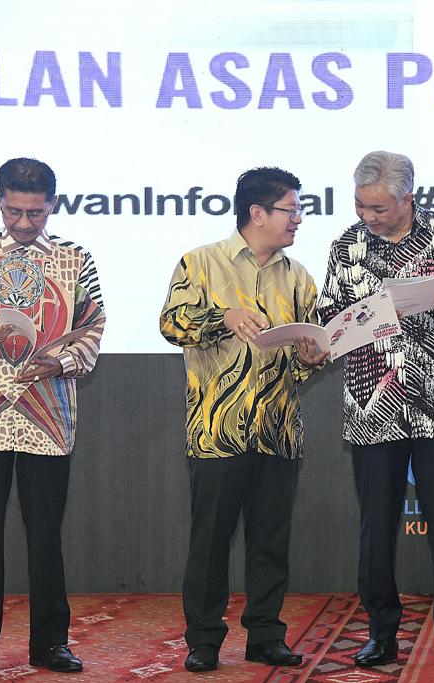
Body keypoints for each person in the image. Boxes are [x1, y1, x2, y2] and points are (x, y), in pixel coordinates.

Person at [317, 150, 434, 668]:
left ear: (407, 199)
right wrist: (342, 326)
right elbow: (329, 317)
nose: (367, 216)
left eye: (378, 208)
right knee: (377, 525)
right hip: (372, 403)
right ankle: (381, 632)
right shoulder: (346, 246)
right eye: (360, 205)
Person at [0, 158, 106, 679]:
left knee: (46, 533)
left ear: (53, 204)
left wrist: (62, 362)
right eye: (13, 212)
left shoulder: (75, 258)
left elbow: (93, 328)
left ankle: (50, 643)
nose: (24, 223)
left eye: (35, 213)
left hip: (47, 416)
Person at [159, 167, 329, 673]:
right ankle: (204, 639)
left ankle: (266, 635)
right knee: (210, 543)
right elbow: (171, 323)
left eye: (299, 210)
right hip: (218, 430)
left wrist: (313, 356)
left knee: (270, 542)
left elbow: (306, 356)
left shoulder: (299, 276)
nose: (298, 219)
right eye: (291, 210)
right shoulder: (200, 263)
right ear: (257, 213)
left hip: (278, 430)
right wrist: (223, 317)